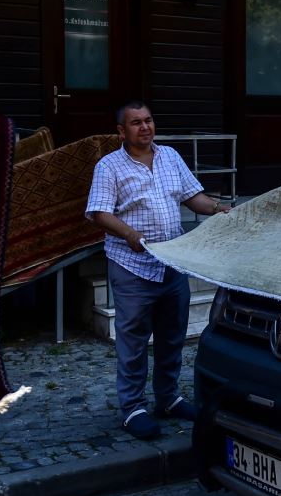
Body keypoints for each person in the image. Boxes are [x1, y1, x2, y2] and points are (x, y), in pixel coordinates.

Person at [86, 101, 228, 440]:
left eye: (148, 120)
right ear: (122, 131)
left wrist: (220, 209)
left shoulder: (170, 157)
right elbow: (99, 212)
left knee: (172, 336)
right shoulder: (110, 167)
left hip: (171, 263)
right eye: (136, 123)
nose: (145, 127)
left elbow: (194, 197)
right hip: (132, 265)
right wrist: (129, 233)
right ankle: (133, 408)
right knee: (133, 341)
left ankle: (168, 398)